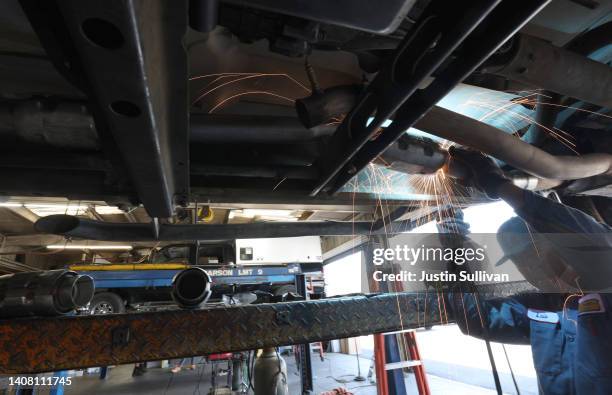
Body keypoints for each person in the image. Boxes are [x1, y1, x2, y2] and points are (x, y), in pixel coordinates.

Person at [442, 147, 612, 395]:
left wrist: (499, 185)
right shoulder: (540, 307)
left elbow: (593, 239)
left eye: (526, 260)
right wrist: (455, 252)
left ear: (551, 250)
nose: (525, 270)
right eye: (519, 263)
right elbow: (476, 320)